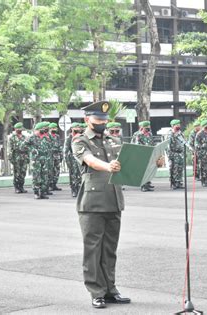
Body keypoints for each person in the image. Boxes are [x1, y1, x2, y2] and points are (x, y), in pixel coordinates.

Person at [71, 100, 130, 309]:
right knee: (92, 249)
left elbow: (131, 160)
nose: (102, 123)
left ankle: (110, 290)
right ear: (87, 119)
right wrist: (108, 166)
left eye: (104, 120)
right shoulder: (80, 141)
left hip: (114, 201)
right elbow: (90, 161)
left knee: (110, 249)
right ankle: (96, 291)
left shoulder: (113, 140)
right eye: (98, 119)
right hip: (92, 204)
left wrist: (155, 161)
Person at [23, 122, 51, 199]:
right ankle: (36, 192)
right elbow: (23, 146)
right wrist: (32, 150)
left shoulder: (45, 137)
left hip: (44, 160)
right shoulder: (31, 138)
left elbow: (49, 148)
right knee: (36, 176)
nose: (44, 131)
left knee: (44, 176)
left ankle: (42, 192)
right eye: (43, 129)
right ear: (38, 130)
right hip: (36, 160)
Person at [131, 121, 155, 192]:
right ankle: (143, 186)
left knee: (148, 170)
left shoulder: (149, 134)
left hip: (149, 154)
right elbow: (136, 145)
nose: (148, 130)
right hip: (141, 155)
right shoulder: (137, 134)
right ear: (141, 128)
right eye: (146, 129)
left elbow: (152, 143)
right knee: (142, 171)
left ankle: (147, 184)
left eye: (148, 128)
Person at [8, 122, 29, 194]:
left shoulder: (24, 137)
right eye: (19, 128)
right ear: (15, 129)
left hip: (24, 156)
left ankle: (21, 186)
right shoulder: (12, 137)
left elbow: (27, 148)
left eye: (21, 128)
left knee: (23, 172)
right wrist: (11, 158)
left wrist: (28, 157)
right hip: (16, 157)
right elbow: (10, 149)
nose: (20, 130)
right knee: (17, 173)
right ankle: (16, 187)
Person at [64, 122, 83, 197]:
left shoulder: (82, 136)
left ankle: (80, 189)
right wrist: (68, 162)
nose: (78, 130)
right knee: (73, 175)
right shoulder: (69, 138)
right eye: (76, 129)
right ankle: (74, 190)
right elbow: (65, 150)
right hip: (72, 159)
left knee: (80, 174)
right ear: (72, 129)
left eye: (79, 129)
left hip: (81, 158)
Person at [167, 119, 185, 189]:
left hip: (180, 154)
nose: (178, 126)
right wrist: (171, 155)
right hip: (173, 154)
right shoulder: (170, 134)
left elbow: (183, 143)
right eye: (176, 125)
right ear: (172, 126)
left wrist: (183, 153)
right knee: (173, 169)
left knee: (180, 169)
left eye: (179, 124)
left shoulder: (180, 133)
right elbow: (167, 146)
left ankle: (179, 182)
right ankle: (173, 183)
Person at [48, 122, 63, 191]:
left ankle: (54, 184)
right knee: (50, 171)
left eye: (55, 128)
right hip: (50, 156)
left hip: (57, 156)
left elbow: (60, 146)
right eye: (53, 128)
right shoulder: (48, 136)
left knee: (57, 170)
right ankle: (50, 185)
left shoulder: (57, 136)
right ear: (50, 129)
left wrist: (61, 155)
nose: (55, 129)